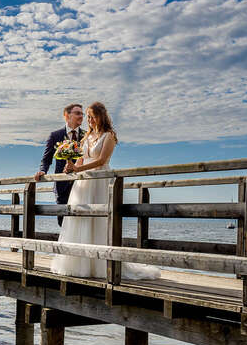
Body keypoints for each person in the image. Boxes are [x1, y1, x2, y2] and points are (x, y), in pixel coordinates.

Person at [50, 102, 160, 280]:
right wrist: (71, 166)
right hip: (83, 183)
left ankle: (100, 265)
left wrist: (79, 169)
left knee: (98, 221)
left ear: (101, 116)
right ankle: (79, 265)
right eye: (88, 117)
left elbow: (101, 160)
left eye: (93, 116)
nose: (90, 120)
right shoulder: (87, 136)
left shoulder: (109, 136)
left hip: (100, 181)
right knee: (80, 220)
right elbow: (81, 160)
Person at [35, 103, 85, 225]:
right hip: (62, 185)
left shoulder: (86, 135)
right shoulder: (55, 135)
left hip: (82, 185)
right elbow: (46, 160)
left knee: (82, 221)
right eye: (77, 113)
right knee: (62, 222)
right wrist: (43, 171)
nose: (81, 116)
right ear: (67, 116)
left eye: (82, 114)